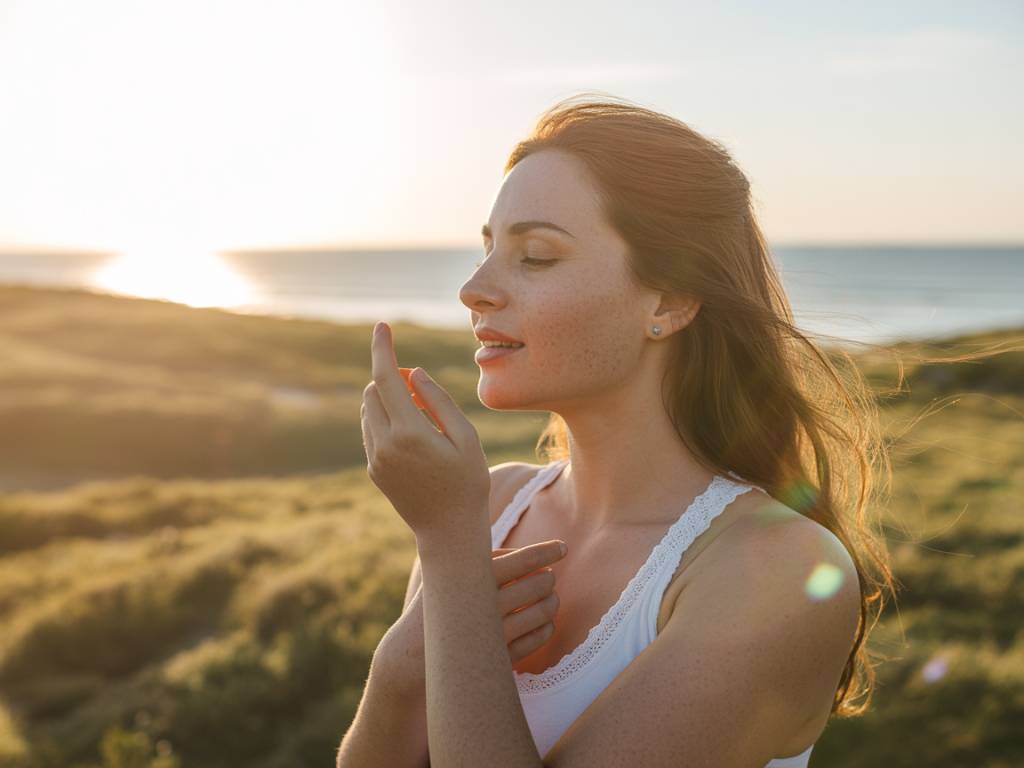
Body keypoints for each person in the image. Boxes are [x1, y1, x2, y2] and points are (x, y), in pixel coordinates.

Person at [341, 94, 898, 767]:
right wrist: (399, 671)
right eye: (487, 249)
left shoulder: (780, 568)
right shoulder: (489, 507)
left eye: (536, 256)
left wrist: (448, 549)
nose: (474, 288)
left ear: (668, 299)